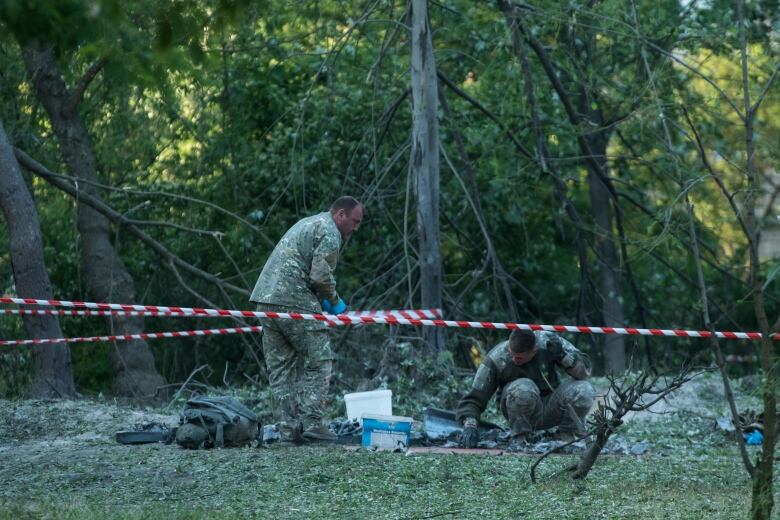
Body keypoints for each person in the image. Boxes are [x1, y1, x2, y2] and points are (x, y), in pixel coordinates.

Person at [250, 196, 363, 443]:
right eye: (354, 221)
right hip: (294, 299)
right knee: (320, 360)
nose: (355, 228)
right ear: (340, 215)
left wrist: (321, 299)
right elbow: (320, 276)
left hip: (265, 299)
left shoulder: (311, 222)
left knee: (281, 368)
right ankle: (312, 423)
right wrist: (334, 302)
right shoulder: (331, 232)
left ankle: (287, 430)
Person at [456, 329, 594, 448]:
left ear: (534, 351)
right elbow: (474, 397)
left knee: (584, 389)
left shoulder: (549, 343)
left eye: (520, 358)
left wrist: (563, 356)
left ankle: (565, 436)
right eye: (511, 354)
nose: (514, 359)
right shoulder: (497, 357)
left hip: (552, 405)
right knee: (524, 388)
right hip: (519, 407)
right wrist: (470, 426)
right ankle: (522, 439)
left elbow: (585, 371)